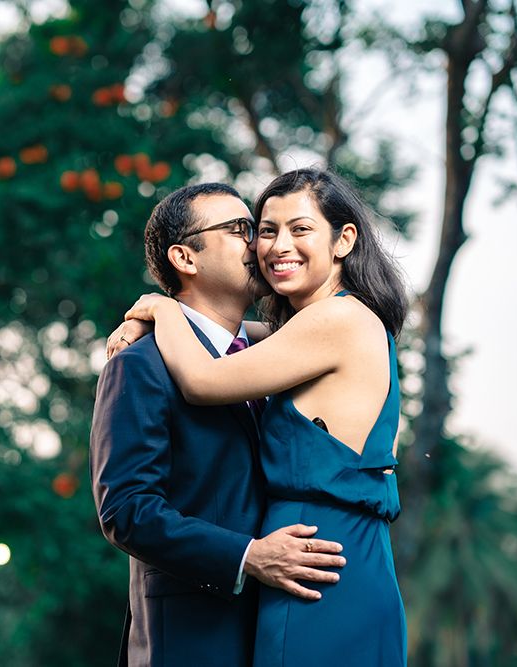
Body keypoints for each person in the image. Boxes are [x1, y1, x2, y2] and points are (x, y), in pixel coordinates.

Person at [116, 168, 408, 666]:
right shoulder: (305, 330)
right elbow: (234, 334)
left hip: (320, 568)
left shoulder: (337, 320)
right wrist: (165, 321)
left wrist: (161, 310)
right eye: (264, 230)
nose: (271, 246)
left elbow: (205, 379)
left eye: (300, 229)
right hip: (315, 562)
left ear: (344, 240)